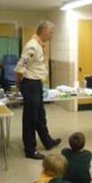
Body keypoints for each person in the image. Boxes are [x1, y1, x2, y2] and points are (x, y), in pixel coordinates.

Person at [15, 20, 61, 159]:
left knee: (40, 115)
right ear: (44, 31)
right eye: (51, 32)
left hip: (36, 84)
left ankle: (47, 141)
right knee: (30, 119)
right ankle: (30, 150)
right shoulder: (32, 46)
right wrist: (18, 84)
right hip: (30, 84)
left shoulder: (39, 45)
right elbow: (20, 67)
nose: (52, 35)